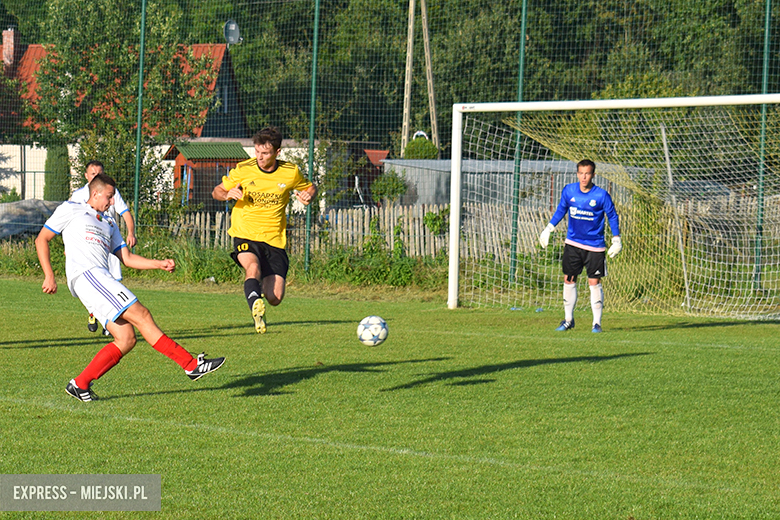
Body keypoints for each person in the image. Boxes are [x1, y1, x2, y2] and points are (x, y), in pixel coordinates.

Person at [36, 173, 225, 402]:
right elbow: (42, 239)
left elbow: (126, 258)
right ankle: (191, 364)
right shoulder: (71, 209)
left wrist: (158, 264)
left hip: (100, 279)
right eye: (108, 196)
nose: (111, 201)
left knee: (126, 338)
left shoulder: (109, 222)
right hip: (87, 276)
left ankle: (80, 384)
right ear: (95, 193)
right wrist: (49, 275)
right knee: (142, 314)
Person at [212, 127, 317, 334]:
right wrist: (227, 195)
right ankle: (254, 305)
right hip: (245, 233)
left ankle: (257, 294)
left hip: (274, 239)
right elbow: (217, 190)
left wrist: (309, 196)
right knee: (252, 267)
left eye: (265, 153)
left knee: (275, 297)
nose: (259, 157)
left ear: (277, 152)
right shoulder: (244, 169)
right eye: (257, 151)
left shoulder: (290, 172)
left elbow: (310, 187)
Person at [538, 159, 622, 333]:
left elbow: (612, 216)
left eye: (587, 173)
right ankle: (568, 320)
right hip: (573, 243)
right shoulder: (569, 191)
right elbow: (561, 209)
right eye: (581, 173)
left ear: (593, 175)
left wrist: (616, 239)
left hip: (595, 246)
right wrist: (548, 229)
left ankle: (596, 324)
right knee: (569, 279)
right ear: (577, 174)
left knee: (594, 282)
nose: (584, 177)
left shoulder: (601, 195)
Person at [70, 160, 137, 335]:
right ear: (86, 176)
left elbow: (125, 212)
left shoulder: (110, 192)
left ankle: (109, 320)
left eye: (100, 173)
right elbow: (65, 224)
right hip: (88, 248)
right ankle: (98, 314)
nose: (97, 176)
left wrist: (131, 232)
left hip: (108, 242)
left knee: (113, 279)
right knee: (95, 284)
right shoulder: (78, 196)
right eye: (93, 173)